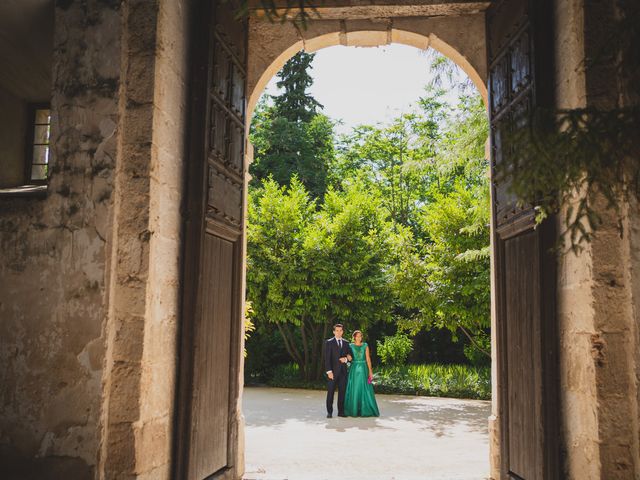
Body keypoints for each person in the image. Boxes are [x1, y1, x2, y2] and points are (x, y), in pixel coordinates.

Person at [344, 330, 380, 417]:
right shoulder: (350, 346)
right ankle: (354, 410)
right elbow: (348, 357)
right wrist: (347, 357)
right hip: (354, 369)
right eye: (357, 336)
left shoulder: (365, 345)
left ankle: (366, 410)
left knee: (365, 388)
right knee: (355, 388)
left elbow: (368, 359)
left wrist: (370, 371)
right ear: (354, 337)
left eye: (360, 336)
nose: (359, 338)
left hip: (364, 369)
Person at [324, 324, 353, 418]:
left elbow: (350, 357)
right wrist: (329, 371)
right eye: (337, 330)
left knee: (342, 393)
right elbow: (327, 359)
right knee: (330, 393)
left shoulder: (346, 343)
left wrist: (346, 359)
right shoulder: (329, 342)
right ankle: (329, 412)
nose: (339, 332)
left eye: (340, 330)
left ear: (342, 331)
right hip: (332, 372)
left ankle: (341, 412)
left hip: (343, 373)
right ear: (334, 332)